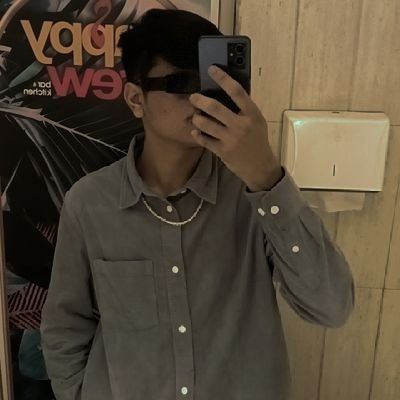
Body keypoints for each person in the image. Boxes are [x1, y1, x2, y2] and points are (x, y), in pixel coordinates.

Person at [40, 8, 355, 400]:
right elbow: (65, 327)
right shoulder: (90, 204)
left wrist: (266, 176)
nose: (201, 99)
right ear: (136, 98)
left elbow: (332, 307)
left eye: (210, 83)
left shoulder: (256, 196)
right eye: (181, 82)